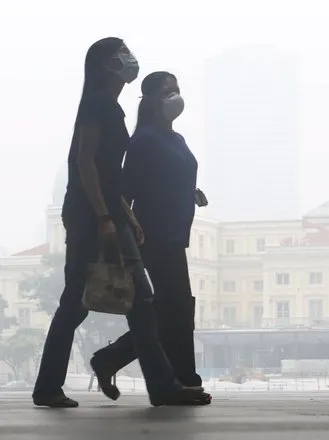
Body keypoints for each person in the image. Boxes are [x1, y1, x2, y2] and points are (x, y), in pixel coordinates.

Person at [31, 38, 210, 408]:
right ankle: (49, 386)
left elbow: (113, 176)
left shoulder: (111, 109)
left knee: (143, 302)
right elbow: (86, 163)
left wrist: (125, 216)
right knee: (76, 305)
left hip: (109, 215)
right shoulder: (98, 105)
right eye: (121, 52)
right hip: (91, 217)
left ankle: (162, 387)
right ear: (105, 64)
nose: (129, 57)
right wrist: (103, 217)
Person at [91, 71, 208, 396]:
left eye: (178, 90)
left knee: (168, 311)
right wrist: (116, 233)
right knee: (177, 310)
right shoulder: (143, 141)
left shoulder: (177, 140)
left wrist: (192, 192)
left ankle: (109, 360)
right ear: (152, 100)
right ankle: (186, 378)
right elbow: (126, 191)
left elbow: (170, 177)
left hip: (175, 235)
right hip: (153, 235)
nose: (175, 97)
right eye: (168, 92)